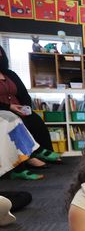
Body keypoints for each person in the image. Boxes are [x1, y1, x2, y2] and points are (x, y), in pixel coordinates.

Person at [0, 45, 60, 177]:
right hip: (3, 111)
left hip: (18, 108)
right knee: (16, 122)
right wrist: (9, 107)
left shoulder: (10, 74)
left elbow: (23, 94)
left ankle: (41, 152)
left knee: (35, 119)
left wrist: (26, 107)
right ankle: (29, 157)